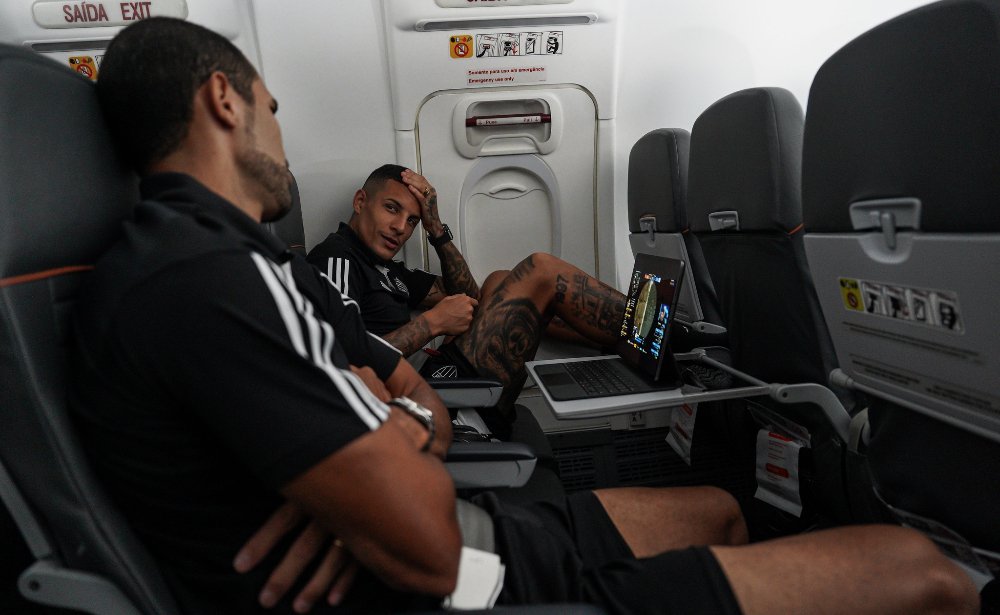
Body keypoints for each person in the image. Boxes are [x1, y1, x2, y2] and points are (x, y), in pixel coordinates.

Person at [70, 16, 978, 615]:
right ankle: (669, 339)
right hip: (458, 584)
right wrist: (377, 451)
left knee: (718, 507)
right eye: (269, 108)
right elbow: (423, 522)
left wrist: (361, 453)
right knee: (928, 575)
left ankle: (670, 342)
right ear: (223, 99)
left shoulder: (243, 269)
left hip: (444, 539)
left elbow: (413, 406)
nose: (277, 130)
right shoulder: (211, 279)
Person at [306, 164, 625, 425]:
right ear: (361, 202)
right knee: (540, 270)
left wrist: (436, 229)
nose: (401, 228)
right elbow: (341, 360)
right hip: (420, 401)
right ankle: (648, 333)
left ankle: (614, 344)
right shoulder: (337, 260)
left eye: (412, 221)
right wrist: (431, 324)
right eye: (392, 209)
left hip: (430, 376)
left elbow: (469, 297)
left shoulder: (382, 265)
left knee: (499, 282)